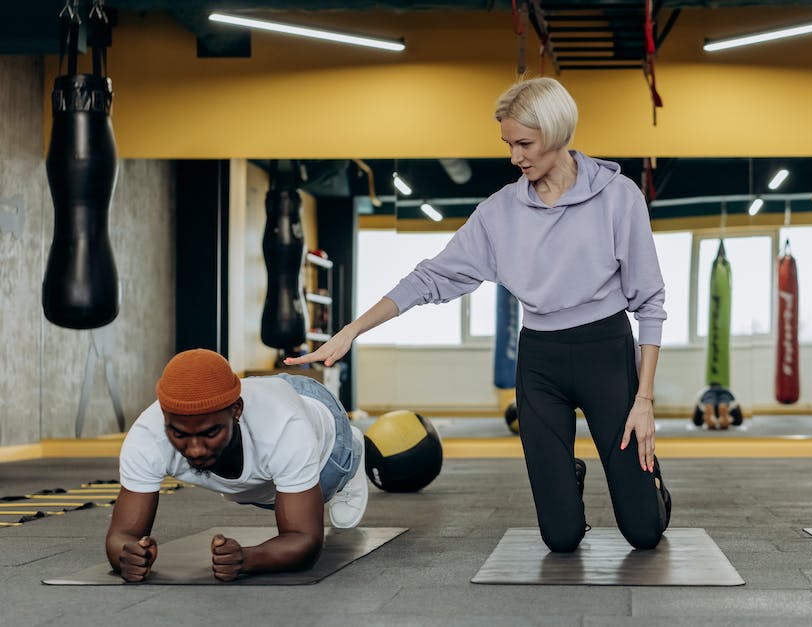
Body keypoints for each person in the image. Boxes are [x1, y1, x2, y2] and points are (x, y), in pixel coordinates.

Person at [287, 76, 671, 553]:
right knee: (562, 538)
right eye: (509, 144)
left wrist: (644, 400)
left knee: (644, 533)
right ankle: (565, 479)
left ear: (555, 133)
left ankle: (649, 491)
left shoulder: (619, 197)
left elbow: (650, 303)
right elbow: (429, 277)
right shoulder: (499, 213)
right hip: (542, 359)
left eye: (524, 143)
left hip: (607, 353)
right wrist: (353, 329)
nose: (515, 157)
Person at [106, 349, 368, 582]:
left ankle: (353, 453)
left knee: (321, 487)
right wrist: (127, 556)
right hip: (258, 412)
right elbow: (122, 535)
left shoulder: (286, 429)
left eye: (210, 433)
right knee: (258, 492)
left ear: (236, 411)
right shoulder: (147, 436)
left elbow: (305, 539)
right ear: (164, 418)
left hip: (322, 425)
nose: (195, 449)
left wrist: (249, 558)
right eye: (180, 435)